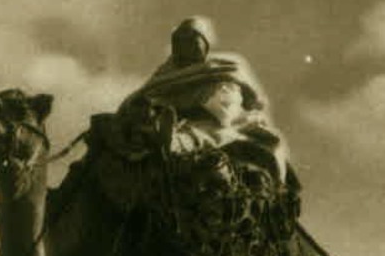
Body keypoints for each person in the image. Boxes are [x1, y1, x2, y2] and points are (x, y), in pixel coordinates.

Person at [118, 16, 288, 185]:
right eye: (182, 41)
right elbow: (149, 91)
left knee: (206, 134)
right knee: (187, 130)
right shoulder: (168, 69)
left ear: (205, 43)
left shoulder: (227, 62)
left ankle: (172, 141)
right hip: (179, 115)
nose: (187, 46)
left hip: (221, 120)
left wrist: (233, 100)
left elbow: (255, 99)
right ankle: (166, 137)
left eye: (193, 40)